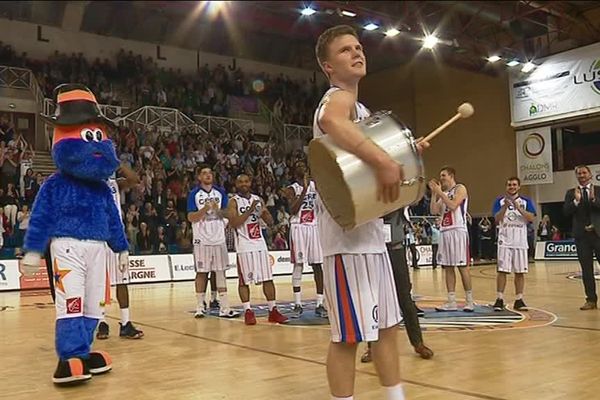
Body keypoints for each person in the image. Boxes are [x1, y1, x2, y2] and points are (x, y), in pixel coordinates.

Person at [313, 25, 429, 400]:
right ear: (327, 66)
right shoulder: (337, 98)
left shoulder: (362, 111)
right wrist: (383, 159)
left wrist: (404, 153)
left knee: (387, 328)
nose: (357, 52)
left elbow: (367, 166)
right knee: (347, 336)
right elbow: (332, 123)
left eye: (359, 47)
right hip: (346, 242)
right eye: (346, 50)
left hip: (371, 236)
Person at [361, 208, 434, 363]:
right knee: (374, 299)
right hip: (374, 248)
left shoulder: (398, 190)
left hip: (395, 247)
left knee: (405, 297)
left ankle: (418, 342)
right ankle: (372, 347)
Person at [227, 174, 288, 325]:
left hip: (260, 244)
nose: (244, 184)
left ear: (250, 183)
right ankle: (248, 311)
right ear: (236, 184)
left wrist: (265, 213)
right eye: (240, 182)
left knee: (268, 278)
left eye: (246, 181)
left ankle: (272, 310)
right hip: (244, 246)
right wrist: (250, 210)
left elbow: (270, 222)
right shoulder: (233, 201)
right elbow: (234, 223)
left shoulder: (258, 199)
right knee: (244, 281)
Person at [97, 165, 145, 340]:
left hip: (116, 236)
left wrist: (118, 163)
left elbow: (134, 179)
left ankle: (125, 323)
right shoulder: (90, 182)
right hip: (97, 237)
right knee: (100, 284)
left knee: (122, 281)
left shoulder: (115, 183)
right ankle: (101, 321)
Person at [187, 165, 238, 319]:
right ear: (199, 177)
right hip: (201, 239)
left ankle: (225, 307)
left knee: (221, 272)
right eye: (204, 173)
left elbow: (228, 214)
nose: (208, 175)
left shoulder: (220, 192)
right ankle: (199, 306)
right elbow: (190, 217)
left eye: (210, 173)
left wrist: (218, 211)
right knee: (201, 273)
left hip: (219, 238)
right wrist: (204, 209)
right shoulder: (194, 194)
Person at [284, 160, 327, 318]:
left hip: (314, 227)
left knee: (317, 265)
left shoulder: (316, 186)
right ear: (295, 172)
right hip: (298, 227)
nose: (303, 168)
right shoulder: (291, 189)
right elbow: (293, 210)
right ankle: (297, 303)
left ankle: (320, 303)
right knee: (298, 264)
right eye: (299, 167)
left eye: (304, 166)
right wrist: (303, 189)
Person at [429, 167, 474, 312]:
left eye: (443, 175)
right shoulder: (444, 194)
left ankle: (469, 300)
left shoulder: (460, 188)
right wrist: (433, 194)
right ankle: (451, 301)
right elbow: (434, 211)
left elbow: (453, 205)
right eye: (440, 175)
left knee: (462, 266)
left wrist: (440, 192)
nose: (441, 178)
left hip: (458, 230)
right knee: (448, 267)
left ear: (451, 176)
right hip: (445, 231)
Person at [491, 177, 536, 311]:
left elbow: (531, 218)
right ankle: (499, 299)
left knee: (520, 272)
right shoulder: (499, 201)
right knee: (502, 271)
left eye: (514, 185)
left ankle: (519, 299)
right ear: (506, 187)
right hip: (504, 240)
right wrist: (505, 206)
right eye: (509, 184)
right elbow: (496, 219)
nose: (512, 187)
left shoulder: (526, 201)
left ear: (519, 186)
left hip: (520, 241)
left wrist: (518, 208)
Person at [563, 165, 600, 310]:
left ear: (590, 174)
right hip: (582, 237)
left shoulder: (598, 190)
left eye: (584, 172)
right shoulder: (571, 193)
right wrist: (576, 202)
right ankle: (591, 300)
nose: (582, 175)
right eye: (579, 173)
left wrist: (593, 200)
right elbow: (565, 212)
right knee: (586, 270)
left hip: (598, 235)